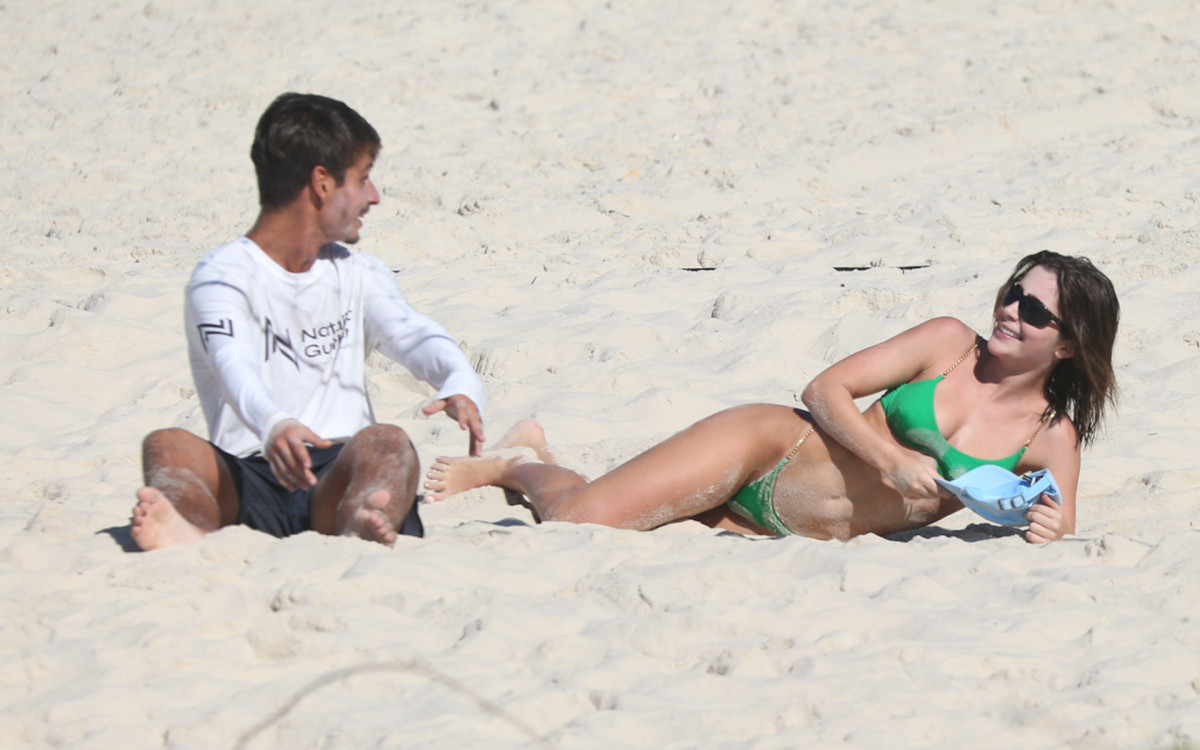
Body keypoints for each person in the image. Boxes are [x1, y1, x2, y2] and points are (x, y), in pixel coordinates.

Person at [423, 251, 1118, 544]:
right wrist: (889, 457)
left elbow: (1061, 523)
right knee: (577, 523)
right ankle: (519, 464)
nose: (1010, 310)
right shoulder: (947, 344)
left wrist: (1048, 528)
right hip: (771, 449)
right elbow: (824, 389)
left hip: (784, 535)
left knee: (601, 521)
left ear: (1067, 346)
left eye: (1034, 310)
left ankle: (533, 459)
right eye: (1012, 292)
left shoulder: (1051, 435)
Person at [131, 93, 485, 551]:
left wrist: (458, 380)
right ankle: (191, 536)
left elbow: (413, 333)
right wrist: (273, 424)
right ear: (322, 183)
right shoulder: (221, 276)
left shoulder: (359, 273)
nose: (374, 196)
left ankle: (360, 524)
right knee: (167, 445)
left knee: (387, 443)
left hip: (338, 476)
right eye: (363, 178)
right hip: (249, 473)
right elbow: (231, 362)